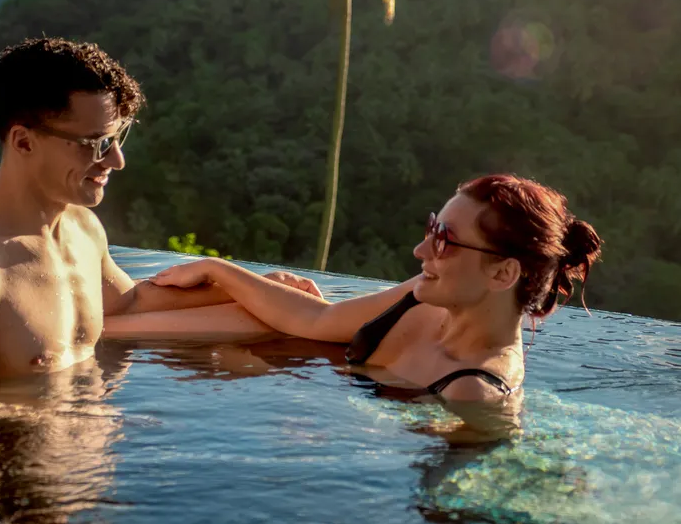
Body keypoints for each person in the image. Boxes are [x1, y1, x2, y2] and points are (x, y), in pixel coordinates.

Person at [0, 36, 317, 404]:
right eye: (95, 144)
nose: (116, 160)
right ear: (23, 141)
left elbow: (128, 301)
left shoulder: (81, 230)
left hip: (87, 476)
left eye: (116, 139)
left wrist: (253, 286)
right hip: (23, 492)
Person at [116, 173, 603, 403]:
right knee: (273, 302)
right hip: (277, 373)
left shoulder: (472, 392)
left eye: (445, 241)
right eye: (433, 228)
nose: (421, 251)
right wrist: (216, 270)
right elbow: (317, 320)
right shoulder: (425, 296)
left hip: (295, 422)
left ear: (502, 273)